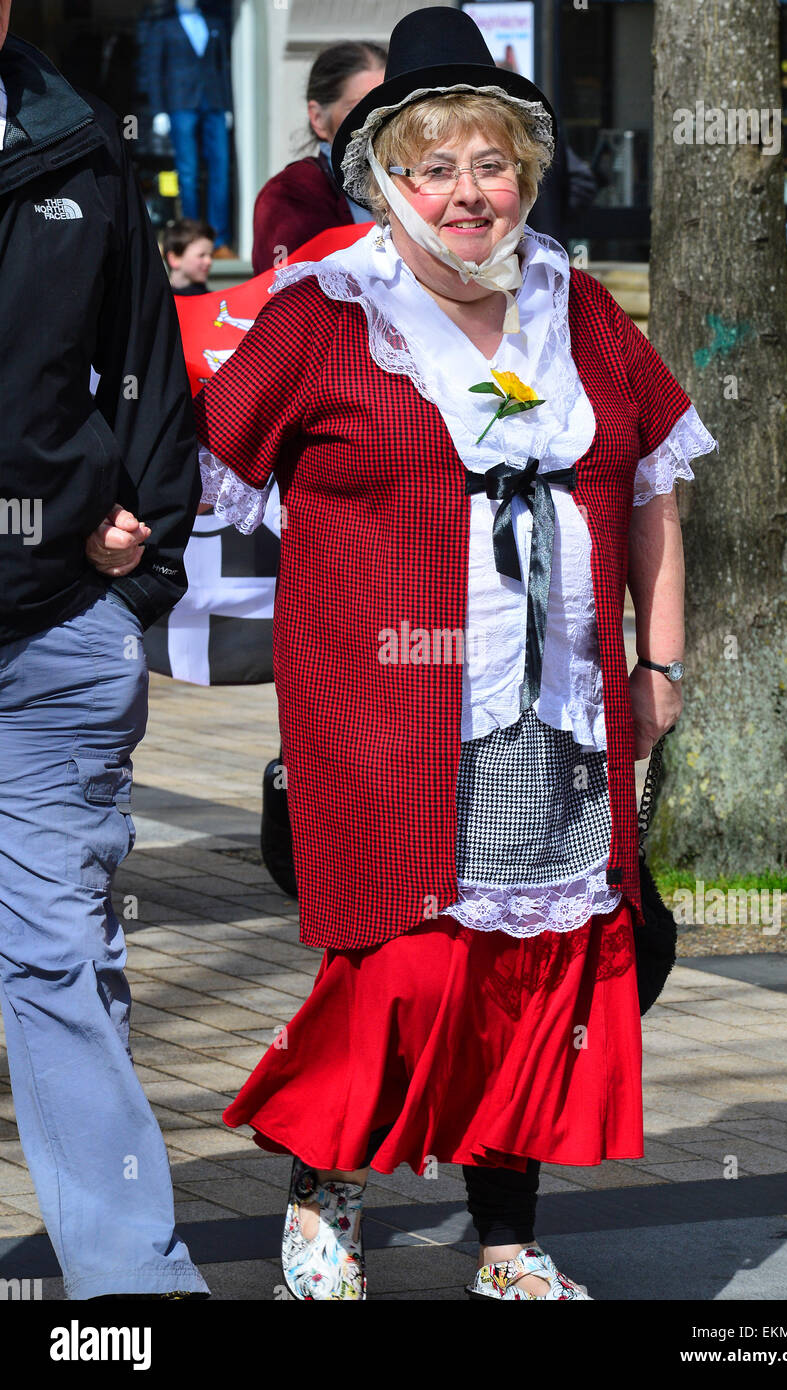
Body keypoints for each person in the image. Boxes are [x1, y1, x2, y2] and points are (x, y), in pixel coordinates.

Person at [193, 6, 716, 1301]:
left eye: (491, 165)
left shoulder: (576, 308)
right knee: (412, 958)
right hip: (385, 701)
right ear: (382, 178)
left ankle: (505, 1239)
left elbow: (654, 481)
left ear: (524, 177)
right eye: (434, 166)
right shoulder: (322, 311)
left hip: (567, 707)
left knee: (550, 963)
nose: (466, 193)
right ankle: (322, 1183)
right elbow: (209, 463)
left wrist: (661, 665)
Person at [0, 7, 207, 1299]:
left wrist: (148, 546)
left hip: (49, 632)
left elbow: (147, 363)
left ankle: (133, 1289)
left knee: (61, 963)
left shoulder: (78, 152)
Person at [250, 41, 385, 274]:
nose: (376, 120)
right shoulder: (291, 194)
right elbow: (282, 295)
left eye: (388, 105)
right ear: (318, 118)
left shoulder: (415, 181)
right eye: (359, 108)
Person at [143, 0, 235, 256]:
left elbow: (223, 67)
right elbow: (154, 71)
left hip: (214, 102)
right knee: (188, 172)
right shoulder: (163, 27)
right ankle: (192, 238)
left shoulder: (215, 23)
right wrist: (159, 110)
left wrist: (227, 105)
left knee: (220, 169)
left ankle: (219, 240)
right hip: (180, 104)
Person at [163, 215, 214, 293]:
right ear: (174, 259)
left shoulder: (215, 301)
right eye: (201, 255)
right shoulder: (160, 302)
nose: (209, 261)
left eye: (211, 255)